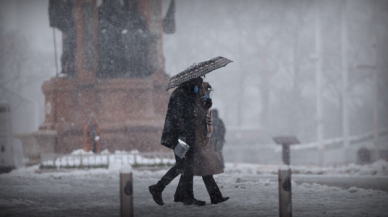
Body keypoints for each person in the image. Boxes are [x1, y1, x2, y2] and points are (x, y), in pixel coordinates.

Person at [149, 77, 209, 206]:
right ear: (192, 83)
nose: (199, 87)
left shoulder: (188, 94)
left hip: (187, 136)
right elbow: (178, 117)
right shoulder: (179, 94)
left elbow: (194, 114)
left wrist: (206, 105)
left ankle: (185, 196)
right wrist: (183, 136)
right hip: (180, 138)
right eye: (198, 84)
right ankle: (159, 188)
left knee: (187, 166)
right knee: (183, 165)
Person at [173, 82, 229, 204]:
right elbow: (196, 119)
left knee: (194, 169)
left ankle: (180, 194)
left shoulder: (197, 102)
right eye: (205, 91)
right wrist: (205, 108)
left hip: (198, 139)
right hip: (196, 140)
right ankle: (214, 196)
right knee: (201, 168)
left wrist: (206, 107)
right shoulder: (193, 102)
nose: (207, 94)